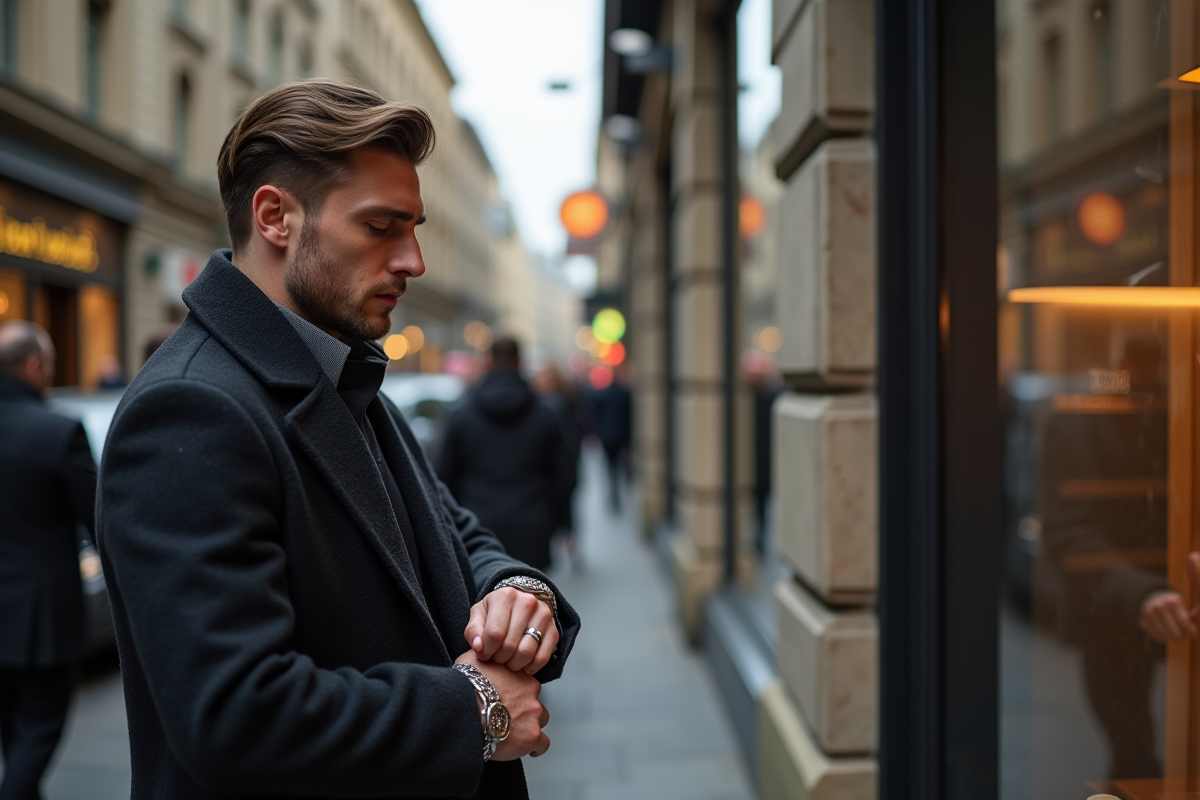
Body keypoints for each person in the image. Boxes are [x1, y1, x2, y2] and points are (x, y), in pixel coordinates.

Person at [95, 80, 580, 800]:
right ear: (276, 217)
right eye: (381, 227)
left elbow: (456, 535)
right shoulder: (191, 407)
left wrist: (516, 594)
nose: (413, 260)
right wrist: (472, 710)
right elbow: (235, 714)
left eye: (413, 227)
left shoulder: (336, 370)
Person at [1039, 334, 1194, 780]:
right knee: (1132, 748)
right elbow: (1066, 530)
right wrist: (1139, 592)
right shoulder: (1077, 421)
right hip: (1113, 609)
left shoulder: (1179, 413)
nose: (1149, 370)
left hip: (1165, 595)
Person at [0, 321, 98, 800]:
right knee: (39, 727)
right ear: (35, 366)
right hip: (41, 617)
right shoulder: (57, 432)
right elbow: (101, 519)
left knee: (13, 731)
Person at [438, 339, 575, 572]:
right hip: (533, 526)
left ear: (488, 362)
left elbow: (444, 475)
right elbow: (565, 473)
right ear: (519, 362)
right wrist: (563, 522)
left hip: (476, 529)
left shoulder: (461, 415)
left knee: (483, 604)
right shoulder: (545, 414)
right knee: (533, 600)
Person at [588, 364, 632, 511]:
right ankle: (618, 490)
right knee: (619, 465)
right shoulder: (625, 394)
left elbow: (595, 415)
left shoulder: (603, 394)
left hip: (607, 436)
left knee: (610, 466)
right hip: (621, 436)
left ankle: (613, 495)